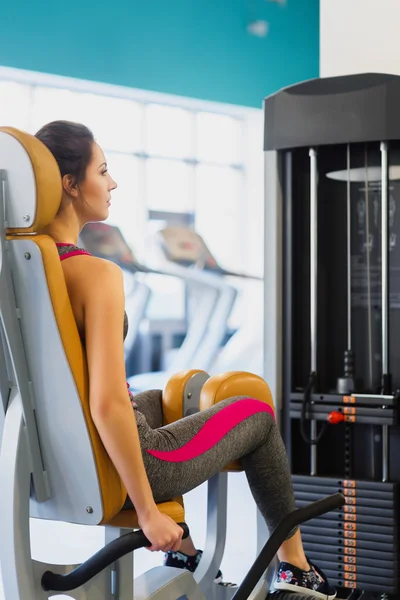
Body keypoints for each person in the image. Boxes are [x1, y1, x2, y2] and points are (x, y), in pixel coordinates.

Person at [36, 120, 336, 600]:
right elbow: (110, 404)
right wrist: (149, 512)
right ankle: (296, 569)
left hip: (50, 458)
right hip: (121, 459)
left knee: (179, 394)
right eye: (103, 171)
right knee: (255, 412)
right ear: (69, 185)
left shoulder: (27, 266)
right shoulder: (96, 276)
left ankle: (188, 554)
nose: (112, 183)